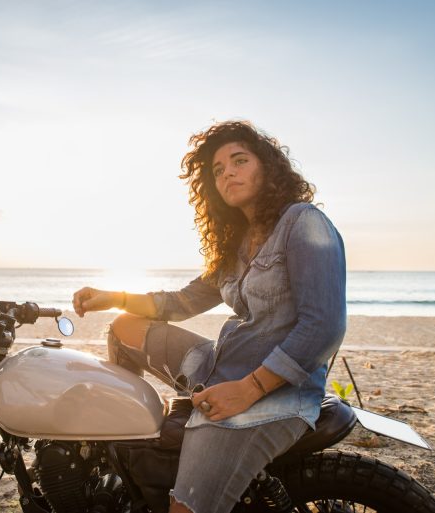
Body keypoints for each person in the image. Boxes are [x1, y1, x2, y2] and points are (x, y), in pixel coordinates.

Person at [72, 120, 346, 513]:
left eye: (239, 161)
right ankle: (126, 453)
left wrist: (248, 389)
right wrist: (112, 297)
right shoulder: (236, 244)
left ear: (266, 167)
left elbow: (324, 327)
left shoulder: (302, 221)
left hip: (273, 394)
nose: (228, 173)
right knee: (124, 327)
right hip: (221, 366)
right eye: (218, 170)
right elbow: (181, 302)